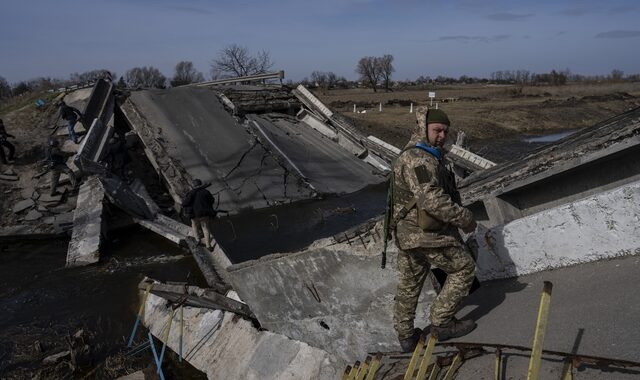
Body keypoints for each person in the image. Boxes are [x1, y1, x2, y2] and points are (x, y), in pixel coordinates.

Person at [392, 106, 478, 352]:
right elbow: (432, 201)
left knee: (409, 284)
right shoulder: (420, 159)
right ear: (423, 128)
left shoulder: (414, 154)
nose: (442, 135)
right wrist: (465, 218)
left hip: (407, 235)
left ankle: (406, 337)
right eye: (437, 130)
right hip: (426, 234)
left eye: (445, 131)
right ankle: (442, 322)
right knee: (464, 268)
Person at [182, 179, 217, 249]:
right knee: (206, 228)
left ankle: (198, 240)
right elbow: (212, 200)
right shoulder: (206, 192)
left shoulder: (191, 193)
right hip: (204, 214)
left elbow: (185, 203)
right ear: (200, 184)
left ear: (193, 185)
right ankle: (208, 245)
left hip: (194, 214)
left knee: (194, 226)